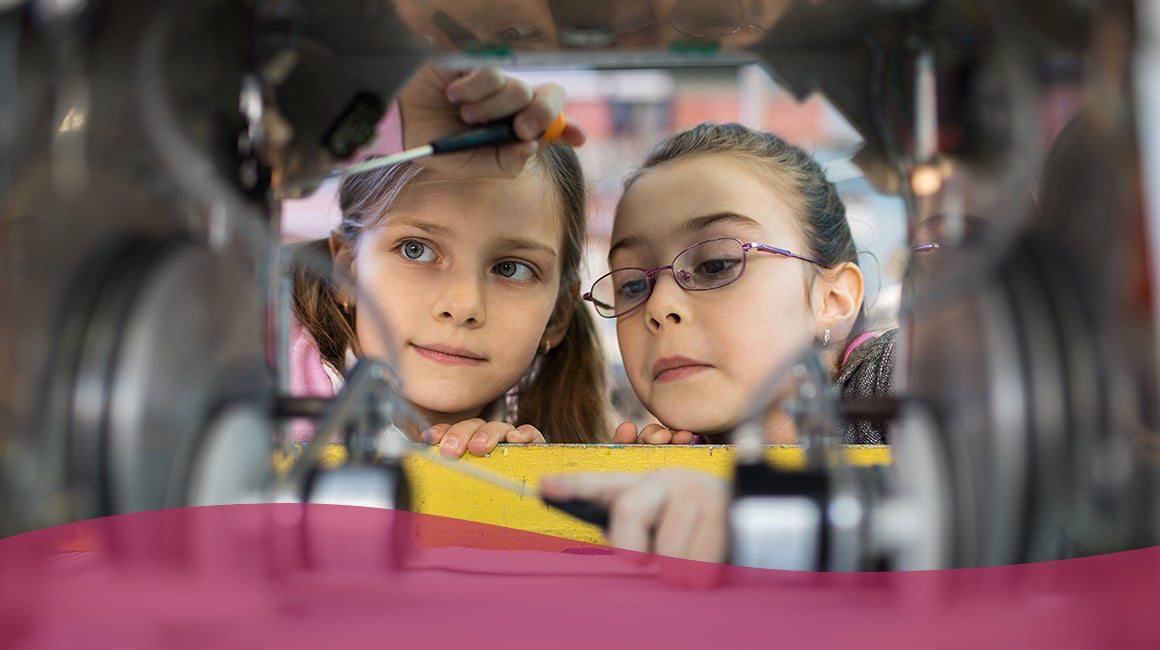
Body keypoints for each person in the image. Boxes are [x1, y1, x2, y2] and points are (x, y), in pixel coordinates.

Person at [288, 64, 611, 456]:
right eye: (416, 249)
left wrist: (521, 484)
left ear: (559, 313)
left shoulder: (545, 449)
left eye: (511, 268)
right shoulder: (265, 372)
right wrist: (390, 123)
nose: (462, 306)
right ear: (345, 268)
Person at [584, 122, 895, 447]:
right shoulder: (668, 466)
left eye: (715, 265)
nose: (659, 305)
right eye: (633, 285)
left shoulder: (899, 378)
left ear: (832, 300)